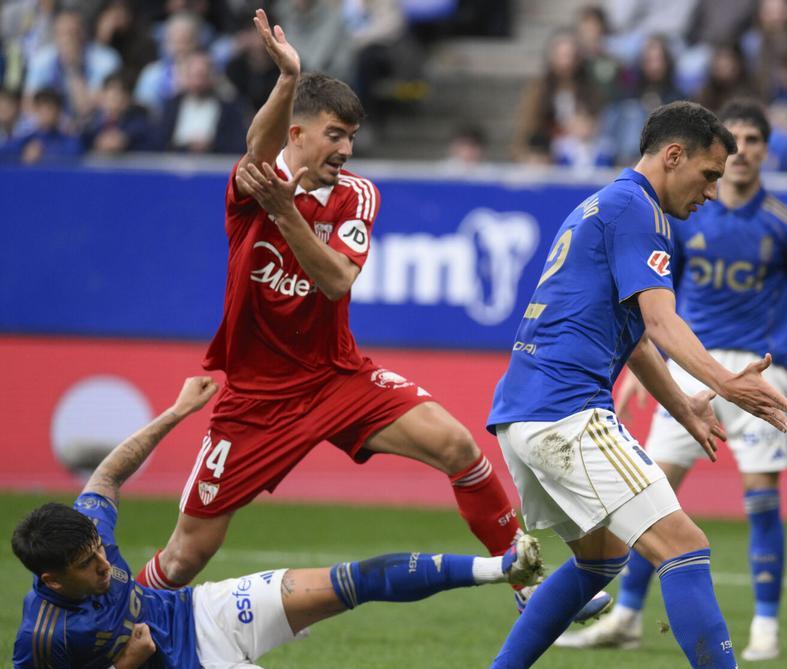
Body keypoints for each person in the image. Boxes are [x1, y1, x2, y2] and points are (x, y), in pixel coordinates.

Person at [133, 10, 606, 619]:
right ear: (297, 134)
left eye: (351, 136)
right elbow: (256, 147)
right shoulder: (256, 184)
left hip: (337, 377)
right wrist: (287, 80)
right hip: (256, 398)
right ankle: (118, 617)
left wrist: (287, 215)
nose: (346, 149)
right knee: (184, 557)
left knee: (458, 445)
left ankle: (526, 583)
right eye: (334, 134)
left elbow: (336, 280)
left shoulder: (358, 194)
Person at [447, 100, 787, 669]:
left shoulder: (608, 207)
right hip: (565, 411)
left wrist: (685, 404)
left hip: (523, 414)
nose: (713, 191)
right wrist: (727, 383)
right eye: (710, 174)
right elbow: (661, 322)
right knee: (683, 546)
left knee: (601, 559)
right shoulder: (639, 210)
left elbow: (633, 339)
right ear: (673, 156)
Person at [11, 377, 545, 669]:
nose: (104, 564)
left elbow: (107, 474)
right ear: (53, 580)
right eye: (87, 566)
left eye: (97, 553)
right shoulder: (43, 634)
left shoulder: (89, 535)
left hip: (203, 613)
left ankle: (501, 568)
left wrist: (176, 412)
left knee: (346, 582)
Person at [555, 99, 787, 661]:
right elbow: (653, 300)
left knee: (761, 497)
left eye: (754, 140)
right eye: (734, 140)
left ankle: (765, 626)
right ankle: (628, 617)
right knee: (654, 493)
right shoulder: (688, 216)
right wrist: (650, 365)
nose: (742, 154)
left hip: (761, 373)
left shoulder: (786, 224)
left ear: (764, 150)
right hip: (697, 369)